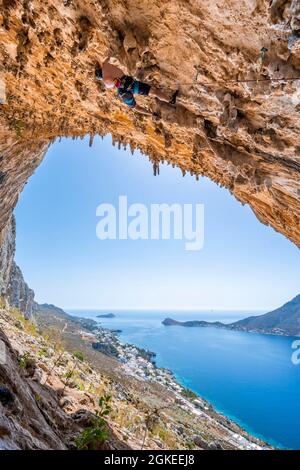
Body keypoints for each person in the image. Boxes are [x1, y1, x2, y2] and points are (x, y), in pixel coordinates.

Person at [96, 58, 178, 115]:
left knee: (135, 106)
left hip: (124, 91)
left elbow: (114, 84)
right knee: (154, 91)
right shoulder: (105, 67)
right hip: (131, 85)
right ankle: (169, 100)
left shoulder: (106, 82)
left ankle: (152, 113)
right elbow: (107, 62)